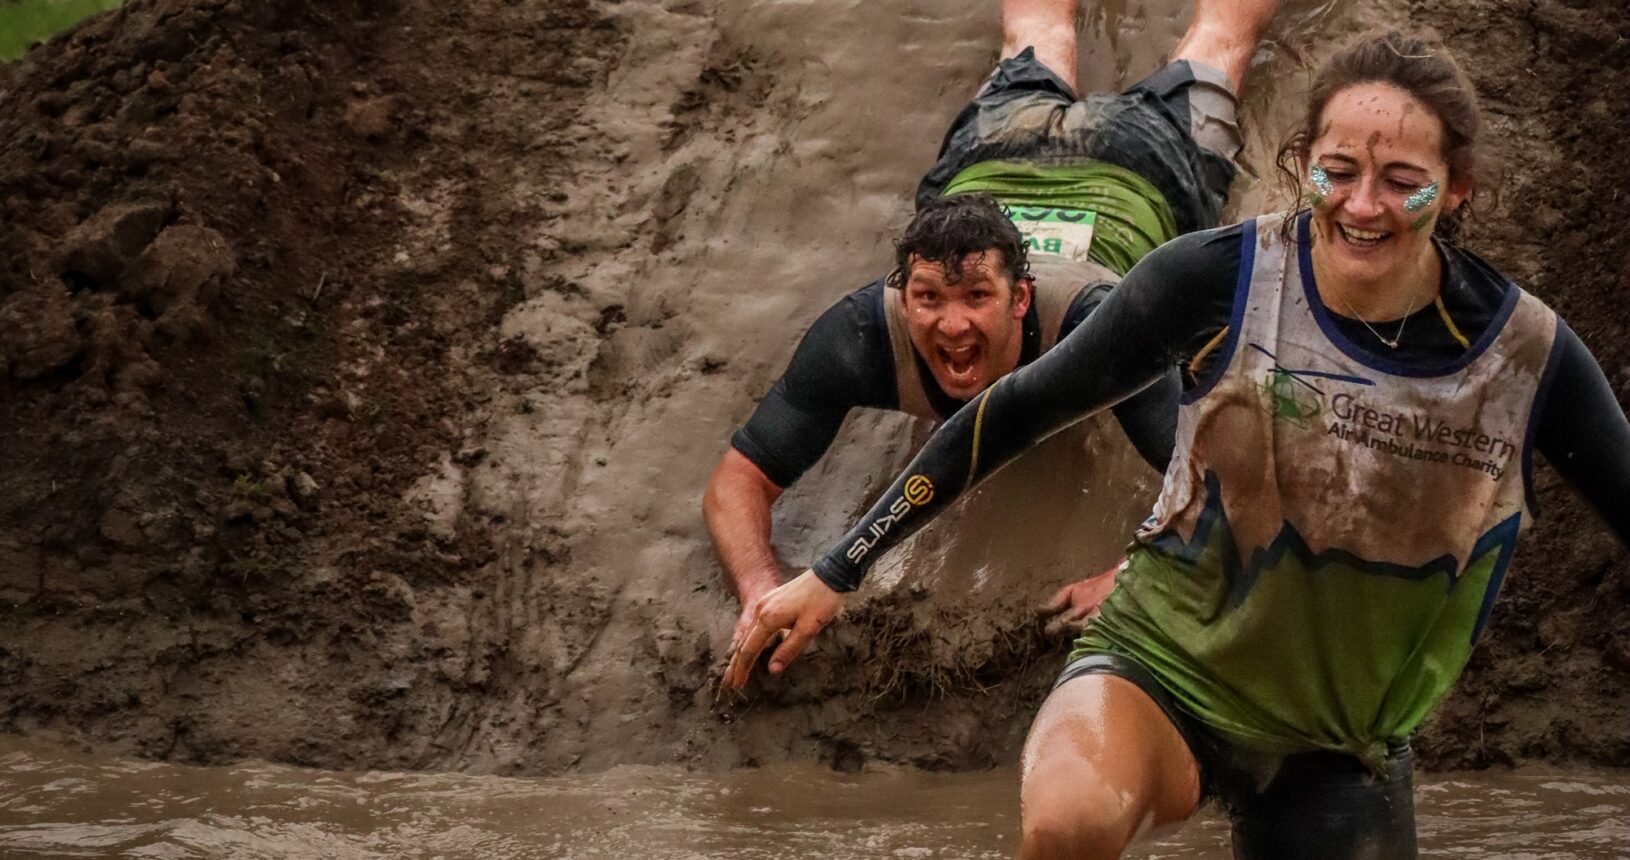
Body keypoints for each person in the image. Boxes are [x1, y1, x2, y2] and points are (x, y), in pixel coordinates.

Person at [724, 30, 1630, 860]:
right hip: (1158, 672)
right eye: (1339, 170)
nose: (1363, 205)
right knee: (1069, 825)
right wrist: (838, 570)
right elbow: (1012, 412)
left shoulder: (1527, 359)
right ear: (1302, 162)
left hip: (1337, 745)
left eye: (1402, 180)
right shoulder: (1217, 278)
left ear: (1457, 186)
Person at [703, 0, 1282, 651]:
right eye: (928, 299)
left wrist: (1133, 575)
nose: (952, 326)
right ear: (901, 291)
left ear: (1020, 298)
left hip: (1144, 160)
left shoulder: (1098, 326)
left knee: (1225, 33)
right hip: (996, 144)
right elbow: (737, 481)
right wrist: (760, 590)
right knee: (1033, 29)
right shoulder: (864, 332)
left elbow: (1227, 488)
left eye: (976, 297)